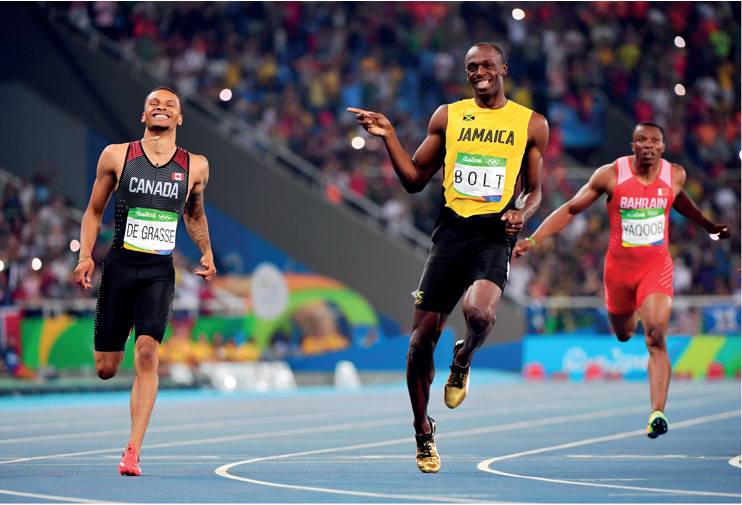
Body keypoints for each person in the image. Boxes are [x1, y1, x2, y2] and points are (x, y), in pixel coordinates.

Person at [349, 43, 549, 473]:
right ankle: (423, 429)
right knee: (420, 344)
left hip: (495, 234)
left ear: (503, 69)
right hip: (451, 233)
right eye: (471, 67)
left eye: (487, 66)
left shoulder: (530, 124)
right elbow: (414, 179)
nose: (479, 72)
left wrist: (522, 212)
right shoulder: (448, 116)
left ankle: (463, 359)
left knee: (479, 314)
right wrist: (389, 137)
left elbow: (535, 189)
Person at [513, 122, 730, 438]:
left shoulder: (675, 175)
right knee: (625, 333)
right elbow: (572, 208)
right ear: (632, 144)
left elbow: (680, 201)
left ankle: (657, 412)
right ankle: (631, 321)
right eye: (641, 139)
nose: (648, 145)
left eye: (654, 140)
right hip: (618, 273)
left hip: (656, 268)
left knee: (655, 335)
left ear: (662, 147)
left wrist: (708, 225)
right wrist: (533, 240)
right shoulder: (610, 175)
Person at [74, 86, 217, 476]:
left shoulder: (195, 166)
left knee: (148, 353)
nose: (162, 108)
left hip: (158, 273)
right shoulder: (118, 156)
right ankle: (110, 351)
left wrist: (205, 251)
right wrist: (86, 254)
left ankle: (133, 449)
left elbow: (194, 214)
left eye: (170, 104)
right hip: (120, 269)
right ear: (144, 115)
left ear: (179, 118)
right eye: (154, 103)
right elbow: (93, 211)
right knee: (106, 366)